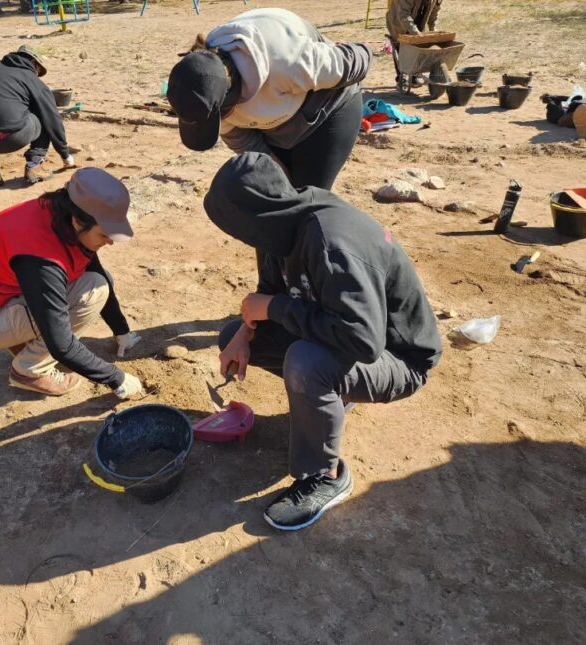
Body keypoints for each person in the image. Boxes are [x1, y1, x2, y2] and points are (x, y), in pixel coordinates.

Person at [204, 152, 442, 531]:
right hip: (351, 335)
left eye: (236, 227)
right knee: (233, 334)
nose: (237, 236)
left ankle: (325, 476)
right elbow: (272, 289)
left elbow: (362, 341)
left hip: (398, 356)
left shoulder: (332, 244)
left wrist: (276, 307)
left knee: (306, 362)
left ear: (255, 214)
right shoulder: (278, 223)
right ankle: (331, 399)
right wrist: (245, 334)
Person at [0, 167, 144, 399]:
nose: (110, 242)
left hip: (2, 296)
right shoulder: (41, 258)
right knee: (93, 291)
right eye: (104, 235)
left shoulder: (61, 216)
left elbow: (94, 268)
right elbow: (62, 345)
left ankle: (23, 341)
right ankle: (29, 370)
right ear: (78, 221)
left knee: (100, 280)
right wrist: (117, 379)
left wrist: (122, 331)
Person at [166, 7, 371, 191]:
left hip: (327, 108)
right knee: (279, 193)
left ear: (229, 97)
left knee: (309, 196)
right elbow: (247, 143)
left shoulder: (288, 63)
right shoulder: (203, 91)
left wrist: (354, 50)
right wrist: (283, 184)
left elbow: (355, 61)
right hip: (277, 119)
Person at [0, 46, 75, 189]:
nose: (37, 75)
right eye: (38, 71)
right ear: (33, 63)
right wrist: (65, 155)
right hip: (11, 137)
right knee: (43, 116)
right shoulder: (30, 77)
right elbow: (52, 118)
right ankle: (34, 166)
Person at [386, 0, 444, 90]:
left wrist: (434, 32)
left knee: (416, 48)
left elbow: (434, 12)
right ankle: (401, 77)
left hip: (417, 21)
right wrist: (416, 33)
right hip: (397, 23)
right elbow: (402, 15)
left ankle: (414, 76)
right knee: (401, 48)